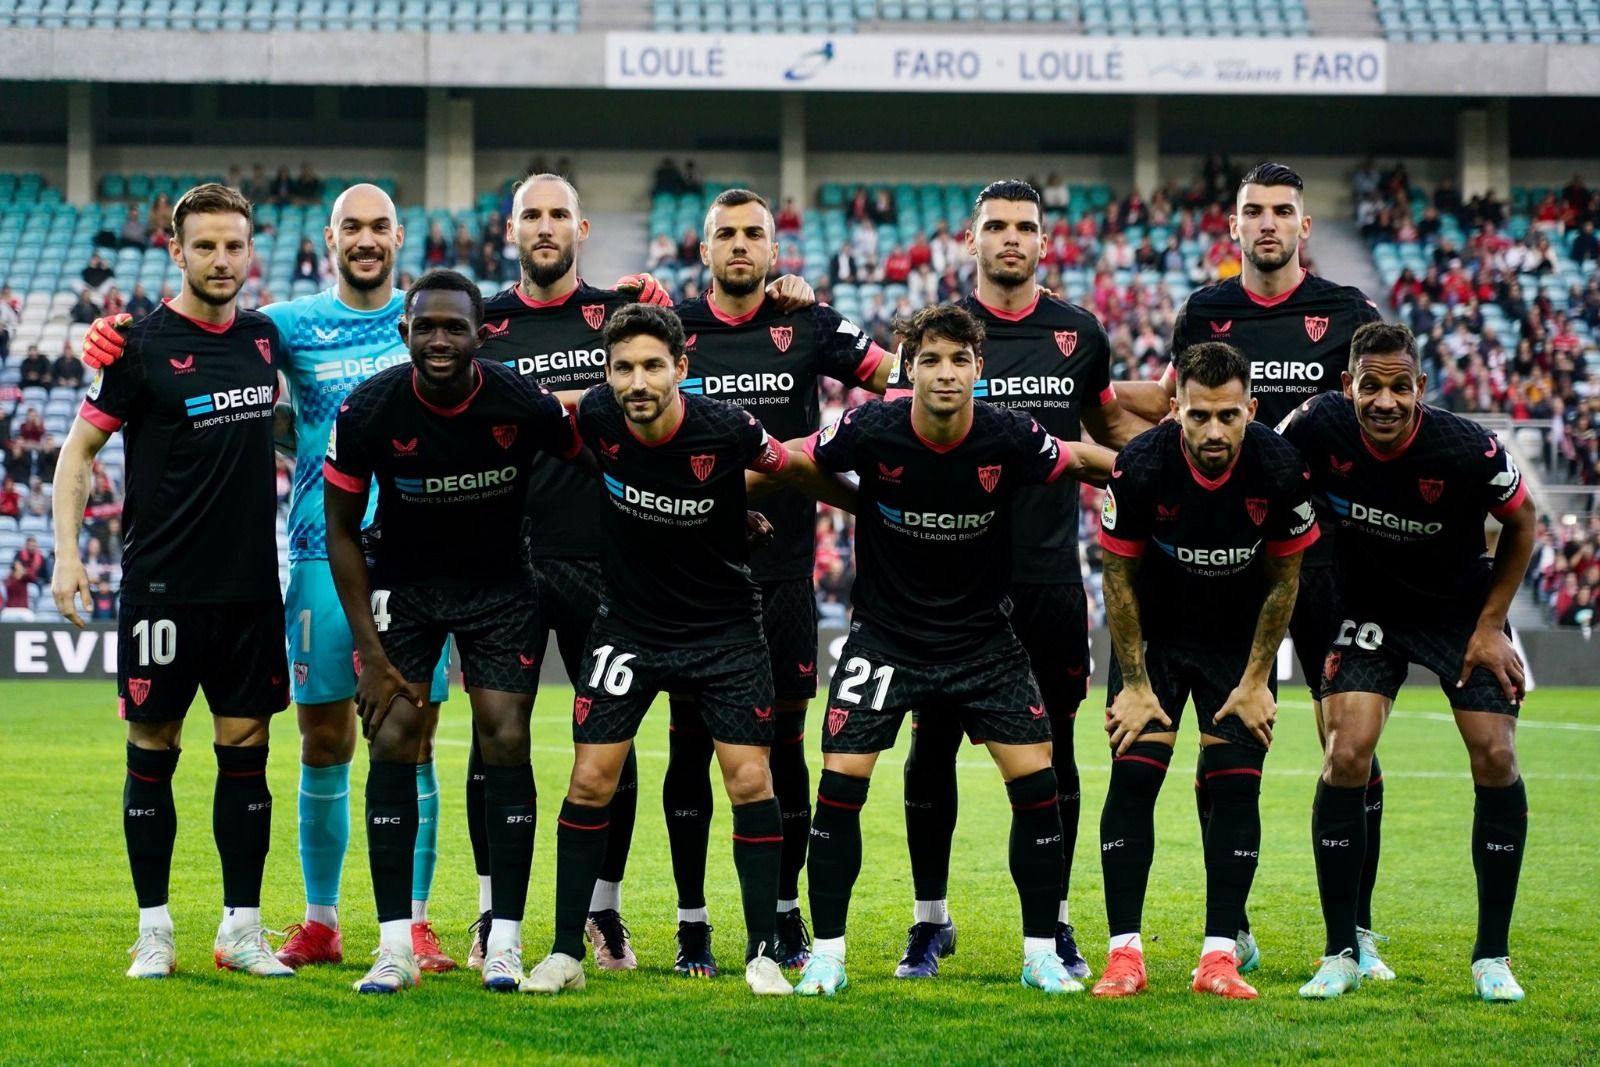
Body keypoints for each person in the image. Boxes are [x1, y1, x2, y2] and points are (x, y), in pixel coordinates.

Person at [80, 184, 459, 974]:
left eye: (379, 227)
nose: (365, 239)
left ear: (399, 237)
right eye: (351, 226)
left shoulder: (433, 320)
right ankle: (320, 921)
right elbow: (192, 334)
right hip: (322, 552)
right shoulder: (281, 326)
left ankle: (416, 922)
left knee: (412, 735)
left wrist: (642, 294)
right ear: (329, 237)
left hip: (422, 555)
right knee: (323, 735)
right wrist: (111, 335)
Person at [517, 303, 844, 999]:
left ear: (681, 369)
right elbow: (536, 407)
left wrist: (871, 507)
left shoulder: (726, 427)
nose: (638, 381)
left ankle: (759, 955)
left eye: (653, 366)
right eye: (624, 366)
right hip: (628, 627)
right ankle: (561, 951)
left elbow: (790, 466)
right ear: (608, 373)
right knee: (589, 781)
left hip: (723, 629)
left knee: (750, 781)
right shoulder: (598, 415)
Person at [1114, 161, 1389, 978]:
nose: (1266, 224)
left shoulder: (1348, 312)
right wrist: (1087, 410)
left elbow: (1386, 411)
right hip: (1235, 561)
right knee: (1232, 740)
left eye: (1281, 212)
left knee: (1349, 743)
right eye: (1252, 212)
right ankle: (1232, 927)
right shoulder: (1205, 310)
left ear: (1305, 227)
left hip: (1325, 554)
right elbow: (1177, 398)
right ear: (1232, 227)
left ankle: (1357, 930)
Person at [791, 304, 1113, 998]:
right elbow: (790, 460)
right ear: (906, 368)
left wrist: (1158, 472)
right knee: (840, 786)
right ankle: (829, 952)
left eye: (957, 359)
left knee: (1038, 785)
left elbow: (1083, 457)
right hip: (885, 638)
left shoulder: (1008, 432)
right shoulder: (869, 426)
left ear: (978, 367)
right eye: (928, 359)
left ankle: (1039, 952)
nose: (943, 372)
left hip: (983, 641)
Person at [885, 179, 1149, 982]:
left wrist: (1167, 473)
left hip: (1045, 581)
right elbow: (899, 440)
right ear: (971, 240)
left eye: (1024, 227)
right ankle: (931, 921)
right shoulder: (939, 336)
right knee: (930, 748)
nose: (1010, 238)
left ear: (1045, 240)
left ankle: (1057, 922)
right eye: (995, 226)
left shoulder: (1078, 334)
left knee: (1053, 752)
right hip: (945, 583)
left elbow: (1109, 434)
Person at [51, 183, 292, 980]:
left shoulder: (265, 339)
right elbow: (77, 455)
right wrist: (67, 552)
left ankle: (242, 929)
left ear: (250, 251)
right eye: (206, 246)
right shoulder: (137, 347)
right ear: (174, 251)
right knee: (152, 746)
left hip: (252, 588)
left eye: (234, 245)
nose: (222, 260)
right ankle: (154, 930)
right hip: (162, 589)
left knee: (246, 750)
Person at [324, 268, 585, 995]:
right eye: (426, 326)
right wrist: (371, 658)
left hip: (501, 587)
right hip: (405, 590)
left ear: (481, 333)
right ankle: (392, 946)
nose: (440, 339)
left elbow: (594, 460)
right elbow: (341, 532)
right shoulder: (368, 410)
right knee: (393, 740)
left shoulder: (519, 399)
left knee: (504, 737)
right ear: (403, 331)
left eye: (454, 326)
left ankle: (503, 940)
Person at [668, 188, 896, 975]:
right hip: (690, 575)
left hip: (785, 575)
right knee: (691, 747)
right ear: (702, 250)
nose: (738, 245)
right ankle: (691, 920)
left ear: (774, 249)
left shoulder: (810, 324)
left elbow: (897, 378)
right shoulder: (675, 331)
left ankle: (785, 911)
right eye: (724, 234)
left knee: (789, 746)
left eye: (752, 234)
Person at [1280, 322, 1536, 1002]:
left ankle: (1492, 956)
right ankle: (1340, 950)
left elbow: (1524, 521)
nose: (1385, 401)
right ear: (1348, 387)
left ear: (1421, 388)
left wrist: (1489, 627)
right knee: (1345, 752)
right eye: (1371, 385)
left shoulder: (1465, 446)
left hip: (1459, 612)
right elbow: (1268, 477)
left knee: (1495, 756)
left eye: (1400, 386)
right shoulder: (1314, 424)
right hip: (1369, 609)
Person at [1091, 342, 1316, 1001]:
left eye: (1227, 415)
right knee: (1134, 778)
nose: (1213, 431)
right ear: (1176, 411)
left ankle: (1220, 956)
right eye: (1197, 416)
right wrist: (1134, 683)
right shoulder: (1140, 464)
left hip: (1235, 642)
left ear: (1251, 408)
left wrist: (1255, 680)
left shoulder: (1279, 466)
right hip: (1155, 637)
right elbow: (1117, 575)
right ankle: (1123, 954)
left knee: (1237, 789)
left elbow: (1285, 580)